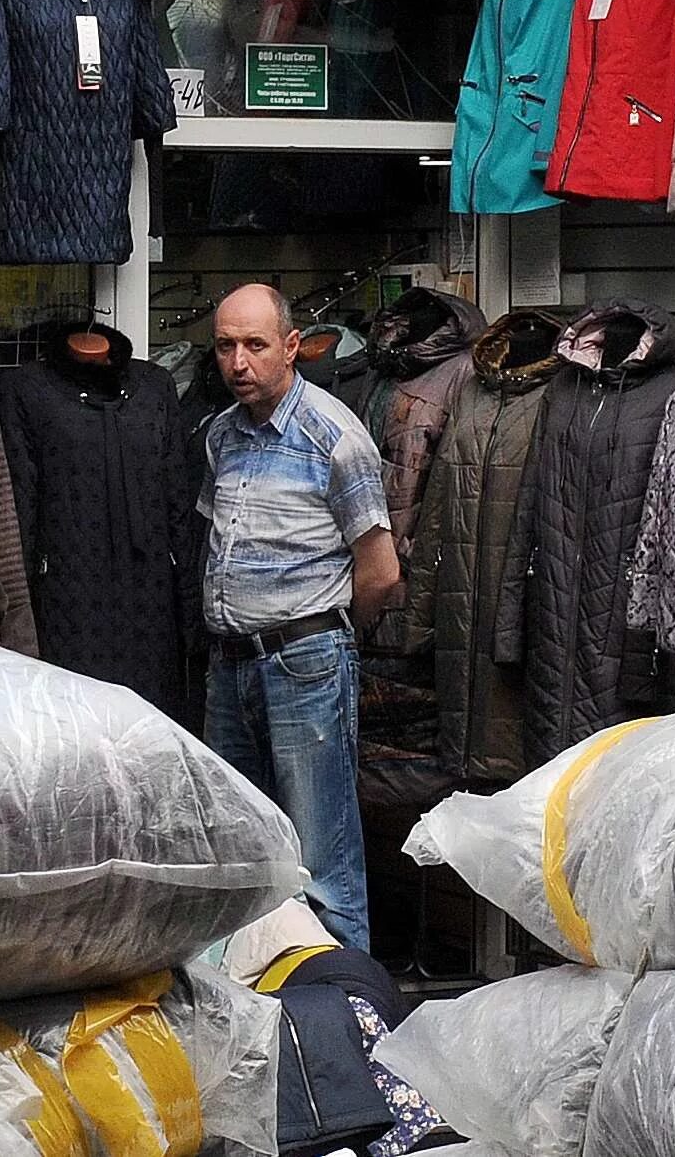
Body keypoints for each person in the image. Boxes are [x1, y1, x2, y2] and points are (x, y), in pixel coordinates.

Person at [198, 281, 398, 948]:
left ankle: (348, 1016)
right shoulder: (222, 434)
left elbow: (381, 570)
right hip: (230, 665)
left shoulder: (334, 435)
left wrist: (329, 637)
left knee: (323, 863)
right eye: (226, 346)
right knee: (239, 852)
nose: (239, 362)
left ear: (292, 347)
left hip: (306, 661)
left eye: (255, 345)